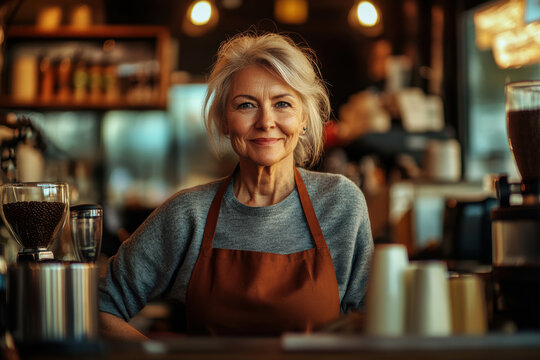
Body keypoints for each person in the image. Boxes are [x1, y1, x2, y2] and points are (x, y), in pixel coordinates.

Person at [98, 30, 374, 339]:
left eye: (282, 103)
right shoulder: (189, 214)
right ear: (225, 122)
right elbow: (99, 307)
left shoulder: (341, 204)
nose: (265, 121)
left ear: (304, 119)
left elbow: (369, 325)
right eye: (246, 105)